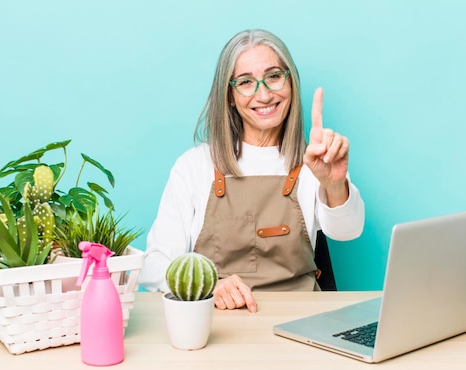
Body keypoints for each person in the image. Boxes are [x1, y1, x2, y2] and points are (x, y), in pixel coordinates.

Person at [140, 29, 364, 313]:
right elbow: (153, 264)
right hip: (217, 326)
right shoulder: (194, 166)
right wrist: (208, 288)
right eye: (246, 82)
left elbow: (348, 231)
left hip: (303, 324)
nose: (263, 93)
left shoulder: (315, 163)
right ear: (230, 95)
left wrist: (334, 184)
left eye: (273, 76)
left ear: (291, 83)